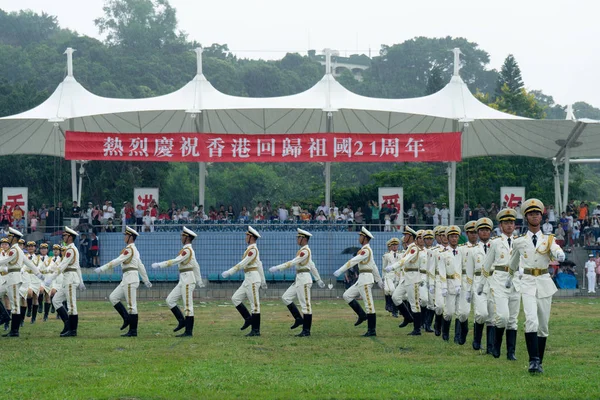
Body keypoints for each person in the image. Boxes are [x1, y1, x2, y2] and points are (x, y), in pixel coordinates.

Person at [509, 198, 565, 374]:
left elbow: (555, 249)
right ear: (526, 217)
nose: (534, 216)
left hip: (543, 281)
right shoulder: (519, 241)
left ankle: (539, 361)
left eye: (537, 213)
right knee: (531, 320)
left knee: (543, 326)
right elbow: (513, 262)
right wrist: (509, 277)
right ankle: (533, 361)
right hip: (526, 282)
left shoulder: (548, 239)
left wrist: (559, 254)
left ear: (541, 217)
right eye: (531, 214)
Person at [478, 208, 520, 360]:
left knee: (513, 319)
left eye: (511, 223)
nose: (509, 226)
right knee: (503, 317)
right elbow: (487, 265)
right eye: (506, 223)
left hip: (515, 281)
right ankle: (496, 346)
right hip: (499, 281)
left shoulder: (519, 242)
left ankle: (511, 352)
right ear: (501, 226)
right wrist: (481, 284)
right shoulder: (495, 243)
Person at [95, 227, 152, 337]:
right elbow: (141, 266)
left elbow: (117, 261)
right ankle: (126, 318)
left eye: (126, 235)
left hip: (130, 279)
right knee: (113, 297)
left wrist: (102, 268)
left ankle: (133, 331)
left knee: (132, 306)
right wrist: (146, 280)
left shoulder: (130, 250)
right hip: (126, 278)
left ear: (131, 237)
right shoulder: (133, 250)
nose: (124, 237)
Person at [269, 229, 325, 337]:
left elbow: (293, 262)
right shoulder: (304, 251)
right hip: (299, 278)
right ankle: (298, 319)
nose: (296, 239)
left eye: (298, 237)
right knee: (286, 297)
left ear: (303, 239)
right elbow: (312, 265)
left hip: (304, 279)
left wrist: (278, 268)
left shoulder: (305, 251)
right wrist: (318, 279)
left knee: (305, 305)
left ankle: (306, 331)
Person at [151, 227, 204, 337]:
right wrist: (199, 280)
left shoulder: (187, 251)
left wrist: (160, 265)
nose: (181, 237)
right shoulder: (188, 250)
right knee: (170, 300)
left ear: (187, 238)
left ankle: (188, 332)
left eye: (183, 236)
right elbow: (196, 266)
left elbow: (176, 261)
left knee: (188, 306)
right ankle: (182, 322)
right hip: (184, 279)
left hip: (188, 280)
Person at [334, 227, 384, 337]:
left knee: (369, 305)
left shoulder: (366, 250)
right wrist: (379, 280)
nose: (359, 238)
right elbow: (374, 266)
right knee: (347, 295)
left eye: (360, 236)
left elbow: (353, 261)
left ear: (365, 238)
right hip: (361, 279)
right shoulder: (366, 250)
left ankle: (372, 330)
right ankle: (362, 315)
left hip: (365, 280)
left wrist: (341, 270)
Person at [221, 226, 266, 337]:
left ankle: (256, 330)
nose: (245, 237)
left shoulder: (253, 250)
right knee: (235, 298)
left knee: (255, 305)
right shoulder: (250, 249)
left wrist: (230, 272)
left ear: (251, 237)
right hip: (248, 278)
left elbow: (243, 263)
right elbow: (260, 265)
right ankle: (248, 319)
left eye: (247, 235)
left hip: (253, 279)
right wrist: (263, 280)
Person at [44, 227, 86, 337]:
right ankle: (68, 325)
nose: (63, 237)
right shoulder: (69, 249)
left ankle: (73, 330)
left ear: (70, 237)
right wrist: (81, 281)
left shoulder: (70, 250)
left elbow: (62, 266)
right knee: (56, 300)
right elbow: (77, 266)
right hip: (68, 279)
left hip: (70, 279)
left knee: (71, 305)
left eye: (65, 236)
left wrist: (51, 278)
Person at [387, 227, 427, 336]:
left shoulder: (414, 248)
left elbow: (405, 260)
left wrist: (393, 267)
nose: (404, 237)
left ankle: (417, 329)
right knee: (395, 297)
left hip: (413, 278)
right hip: (406, 277)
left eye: (406, 235)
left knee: (414, 304)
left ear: (410, 237)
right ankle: (408, 317)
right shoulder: (409, 248)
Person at [465, 218, 494, 352]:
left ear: (490, 232)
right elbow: (469, 272)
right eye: (482, 230)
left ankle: (490, 345)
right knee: (481, 314)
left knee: (492, 316)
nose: (484, 233)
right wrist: (468, 290)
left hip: (493, 282)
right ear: (478, 232)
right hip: (478, 283)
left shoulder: (496, 247)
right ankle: (477, 339)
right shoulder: (472, 250)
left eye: (487, 230)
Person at [0, 228, 35, 336]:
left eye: (10, 236)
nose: (8, 238)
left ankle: (14, 331)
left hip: (14, 279)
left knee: (15, 304)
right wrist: (39, 274)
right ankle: (5, 316)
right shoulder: (17, 250)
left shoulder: (14, 250)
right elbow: (29, 263)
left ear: (14, 238)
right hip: (9, 278)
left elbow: (4, 261)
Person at [455, 221, 478, 345]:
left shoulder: (483, 248)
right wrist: (457, 283)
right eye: (471, 233)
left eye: (475, 232)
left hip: (479, 280)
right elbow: (457, 268)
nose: (474, 235)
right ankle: (463, 330)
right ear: (467, 233)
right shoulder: (461, 249)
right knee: (463, 312)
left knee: (479, 313)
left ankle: (476, 339)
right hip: (464, 281)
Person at [438, 225, 462, 342]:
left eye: (456, 236)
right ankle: (445, 332)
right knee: (449, 312)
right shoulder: (443, 254)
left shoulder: (461, 252)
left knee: (459, 312)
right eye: (452, 236)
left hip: (461, 284)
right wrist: (443, 287)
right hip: (449, 283)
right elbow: (442, 271)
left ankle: (457, 336)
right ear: (447, 238)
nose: (454, 239)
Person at [381, 237, 400, 318]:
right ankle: (391, 306)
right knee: (391, 290)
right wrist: (383, 277)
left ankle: (395, 311)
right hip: (389, 275)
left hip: (398, 275)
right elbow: (384, 267)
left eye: (396, 245)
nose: (394, 246)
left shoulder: (401, 254)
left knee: (396, 294)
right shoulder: (387, 255)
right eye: (393, 245)